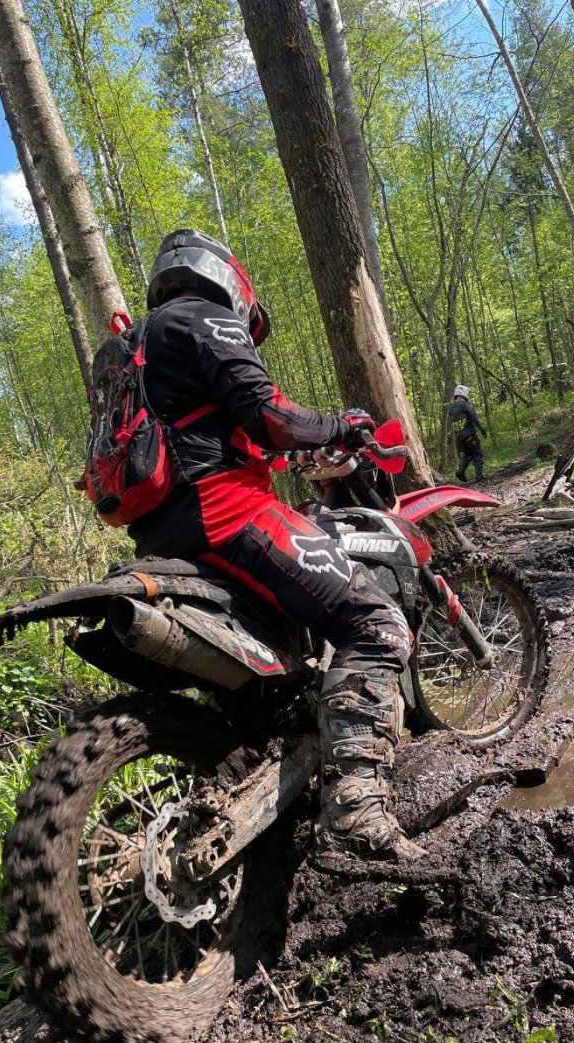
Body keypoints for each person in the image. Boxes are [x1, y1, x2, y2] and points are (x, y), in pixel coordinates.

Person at [128, 229, 420, 875]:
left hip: (158, 538)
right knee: (375, 624)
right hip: (227, 513)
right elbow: (273, 418)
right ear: (230, 283)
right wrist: (344, 425)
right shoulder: (204, 318)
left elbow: (196, 431)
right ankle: (358, 810)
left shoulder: (128, 347)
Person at [449, 385, 487, 482]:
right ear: (465, 394)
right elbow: (474, 418)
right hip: (469, 435)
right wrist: (481, 429)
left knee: (467, 455)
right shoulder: (466, 406)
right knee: (477, 454)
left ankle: (460, 471)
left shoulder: (451, 409)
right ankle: (479, 475)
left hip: (458, 438)